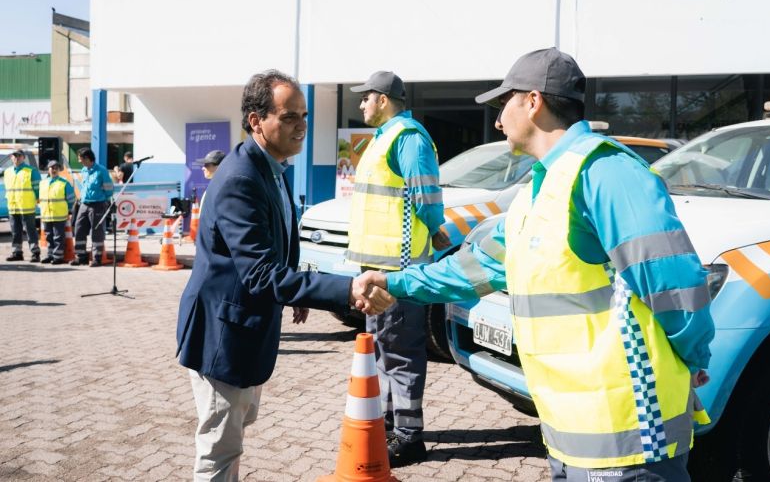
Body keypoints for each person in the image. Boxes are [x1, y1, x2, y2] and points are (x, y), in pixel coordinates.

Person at [357, 48, 715, 481]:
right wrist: (394, 283)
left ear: (533, 101)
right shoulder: (538, 192)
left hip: (630, 441)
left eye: (501, 105)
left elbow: (674, 283)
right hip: (569, 436)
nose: (496, 120)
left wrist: (694, 359)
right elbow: (472, 270)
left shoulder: (606, 172)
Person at [176, 70, 394, 482]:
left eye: (304, 116)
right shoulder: (242, 177)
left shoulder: (270, 166)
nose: (302, 126)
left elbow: (273, 247)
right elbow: (259, 273)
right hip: (222, 336)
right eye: (290, 116)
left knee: (234, 433)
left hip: (246, 327)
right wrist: (345, 289)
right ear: (257, 120)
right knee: (220, 448)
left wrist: (293, 288)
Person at [346, 70, 449, 467]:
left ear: (384, 99)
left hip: (401, 269)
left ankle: (409, 436)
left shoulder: (407, 138)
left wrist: (435, 229)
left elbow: (425, 194)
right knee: (383, 350)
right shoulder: (386, 138)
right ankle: (391, 423)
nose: (361, 104)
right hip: (379, 267)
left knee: (401, 352)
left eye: (365, 97)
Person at [71, 148, 114, 267]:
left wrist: (103, 200)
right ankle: (81, 257)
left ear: (87, 158)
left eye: (81, 159)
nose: (80, 162)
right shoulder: (84, 170)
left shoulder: (101, 171)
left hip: (97, 204)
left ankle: (97, 258)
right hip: (84, 204)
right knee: (79, 229)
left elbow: (109, 188)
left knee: (97, 232)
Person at [4, 149, 41, 262]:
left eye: (19, 156)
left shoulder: (31, 171)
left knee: (30, 230)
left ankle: (35, 253)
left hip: (27, 206)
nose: (17, 158)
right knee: (15, 231)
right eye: (14, 156)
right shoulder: (7, 171)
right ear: (11, 157)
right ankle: (17, 253)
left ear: (23, 157)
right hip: (13, 206)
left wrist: (38, 201)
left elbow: (37, 189)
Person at [39, 161, 76, 265]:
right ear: (48, 169)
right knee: (49, 236)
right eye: (52, 168)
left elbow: (71, 199)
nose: (54, 170)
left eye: (56, 168)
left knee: (58, 237)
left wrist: (67, 209)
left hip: (59, 215)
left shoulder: (64, 183)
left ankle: (58, 257)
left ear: (59, 170)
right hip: (46, 215)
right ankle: (50, 255)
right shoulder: (43, 183)